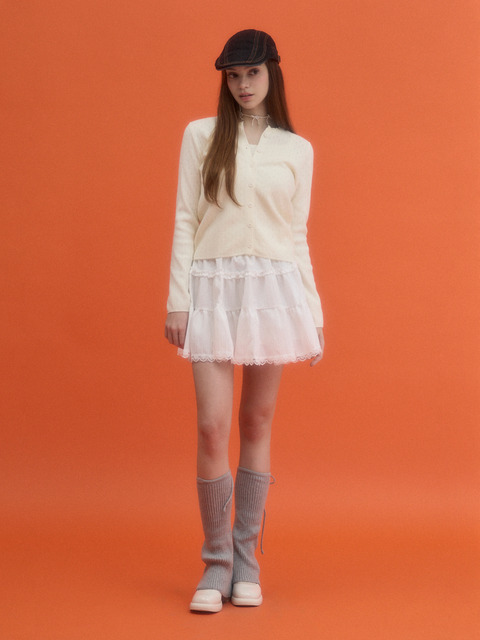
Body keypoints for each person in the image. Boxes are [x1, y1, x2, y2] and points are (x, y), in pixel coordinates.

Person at [164, 29, 324, 613]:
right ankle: (216, 565)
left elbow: (296, 234)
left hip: (272, 291)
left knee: (256, 421)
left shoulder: (296, 149)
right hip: (212, 287)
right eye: (233, 76)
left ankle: (247, 562)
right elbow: (186, 218)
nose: (242, 85)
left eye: (252, 73)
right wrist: (178, 300)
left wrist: (313, 311)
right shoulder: (201, 135)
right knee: (212, 426)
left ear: (272, 73)